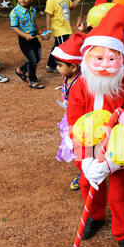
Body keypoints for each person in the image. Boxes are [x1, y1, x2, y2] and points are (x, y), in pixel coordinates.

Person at [67, 4, 124, 247]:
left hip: (119, 150)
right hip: (89, 148)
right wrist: (86, 161)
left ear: (121, 60)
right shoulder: (80, 86)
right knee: (87, 183)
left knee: (119, 194)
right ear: (87, 57)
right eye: (99, 59)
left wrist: (113, 159)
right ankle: (96, 216)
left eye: (111, 59)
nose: (105, 65)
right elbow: (73, 121)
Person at [51, 32, 87, 190]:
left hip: (82, 121)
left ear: (73, 67)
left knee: (83, 148)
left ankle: (84, 174)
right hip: (70, 118)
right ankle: (83, 171)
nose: (57, 68)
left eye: (60, 65)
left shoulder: (82, 81)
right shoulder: (69, 77)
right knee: (76, 147)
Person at [45, 0, 86, 74]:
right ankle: (62, 66)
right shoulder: (51, 0)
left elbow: (72, 6)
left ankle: (50, 64)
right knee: (63, 47)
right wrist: (48, 31)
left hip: (65, 27)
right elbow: (48, 16)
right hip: (59, 29)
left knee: (57, 46)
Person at [10, 0, 47, 89]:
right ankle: (32, 79)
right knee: (32, 60)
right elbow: (14, 28)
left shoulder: (33, 10)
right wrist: (25, 35)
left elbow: (33, 23)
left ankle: (21, 70)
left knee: (38, 57)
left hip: (34, 37)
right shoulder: (15, 12)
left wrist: (39, 32)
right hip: (24, 39)